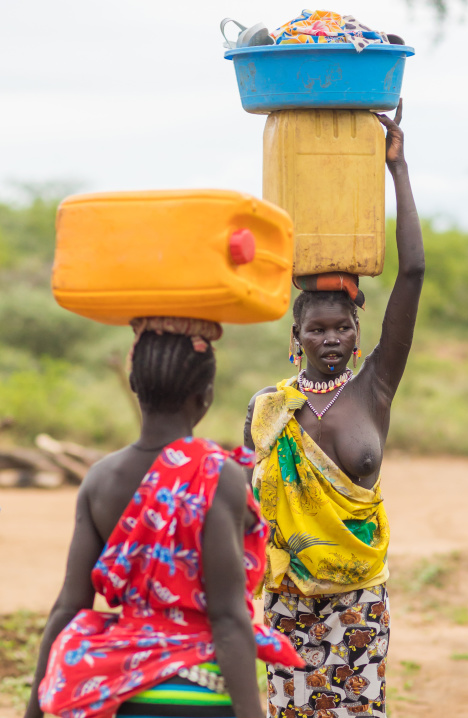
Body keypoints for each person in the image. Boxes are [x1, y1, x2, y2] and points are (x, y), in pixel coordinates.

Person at [244, 103, 424, 718]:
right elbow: (249, 511)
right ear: (296, 335)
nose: (330, 340)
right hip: (287, 600)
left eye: (341, 329)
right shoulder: (269, 410)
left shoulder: (375, 387)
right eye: (317, 329)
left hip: (358, 602)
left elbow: (414, 272)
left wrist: (396, 169)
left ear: (357, 332)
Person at [26, 317, 302, 718]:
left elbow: (69, 608)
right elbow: (227, 618)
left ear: (134, 386)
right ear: (204, 395)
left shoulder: (100, 479)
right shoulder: (216, 473)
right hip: (198, 694)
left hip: (120, 690)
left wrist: (32, 711)